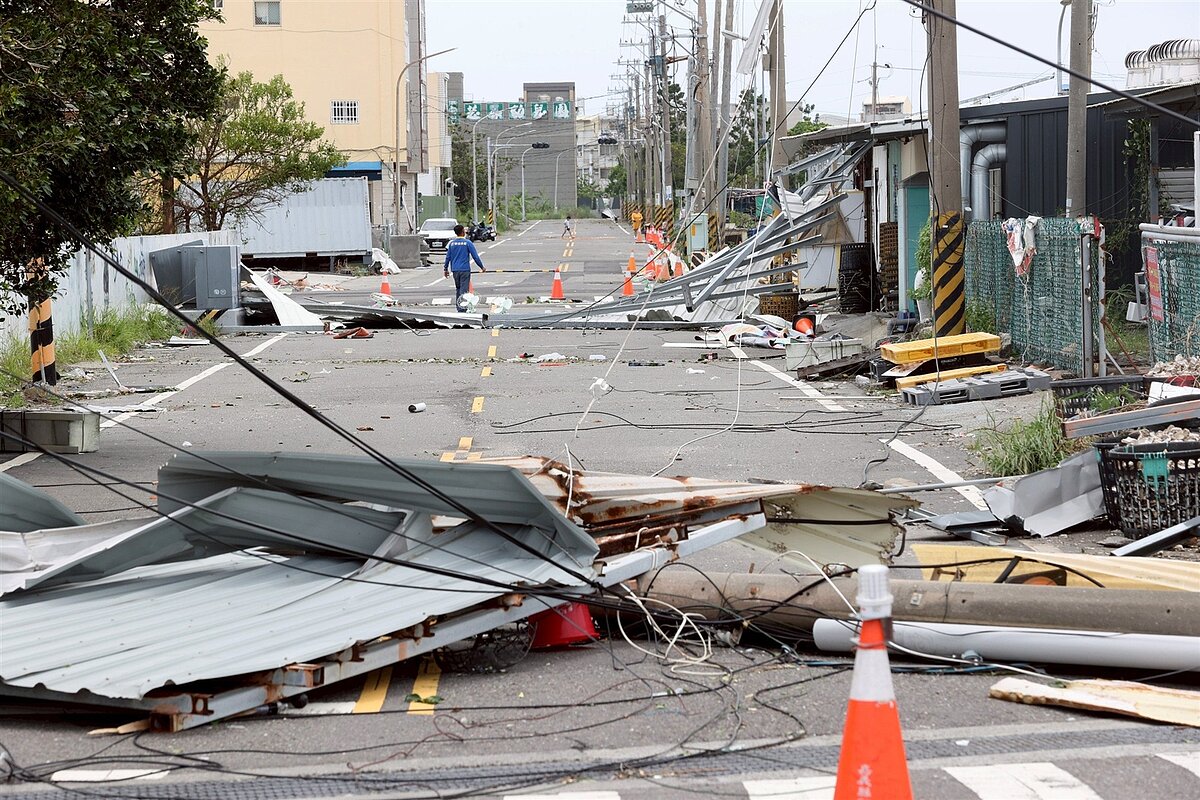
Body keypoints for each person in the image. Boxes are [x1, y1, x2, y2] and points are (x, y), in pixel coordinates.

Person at [443, 224, 485, 311]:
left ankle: (459, 307)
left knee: (458, 289)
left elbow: (448, 257)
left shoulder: (451, 244)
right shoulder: (467, 243)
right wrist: (482, 267)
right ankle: (463, 309)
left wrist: (445, 269)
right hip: (464, 269)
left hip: (455, 270)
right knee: (464, 290)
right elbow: (475, 257)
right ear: (463, 232)